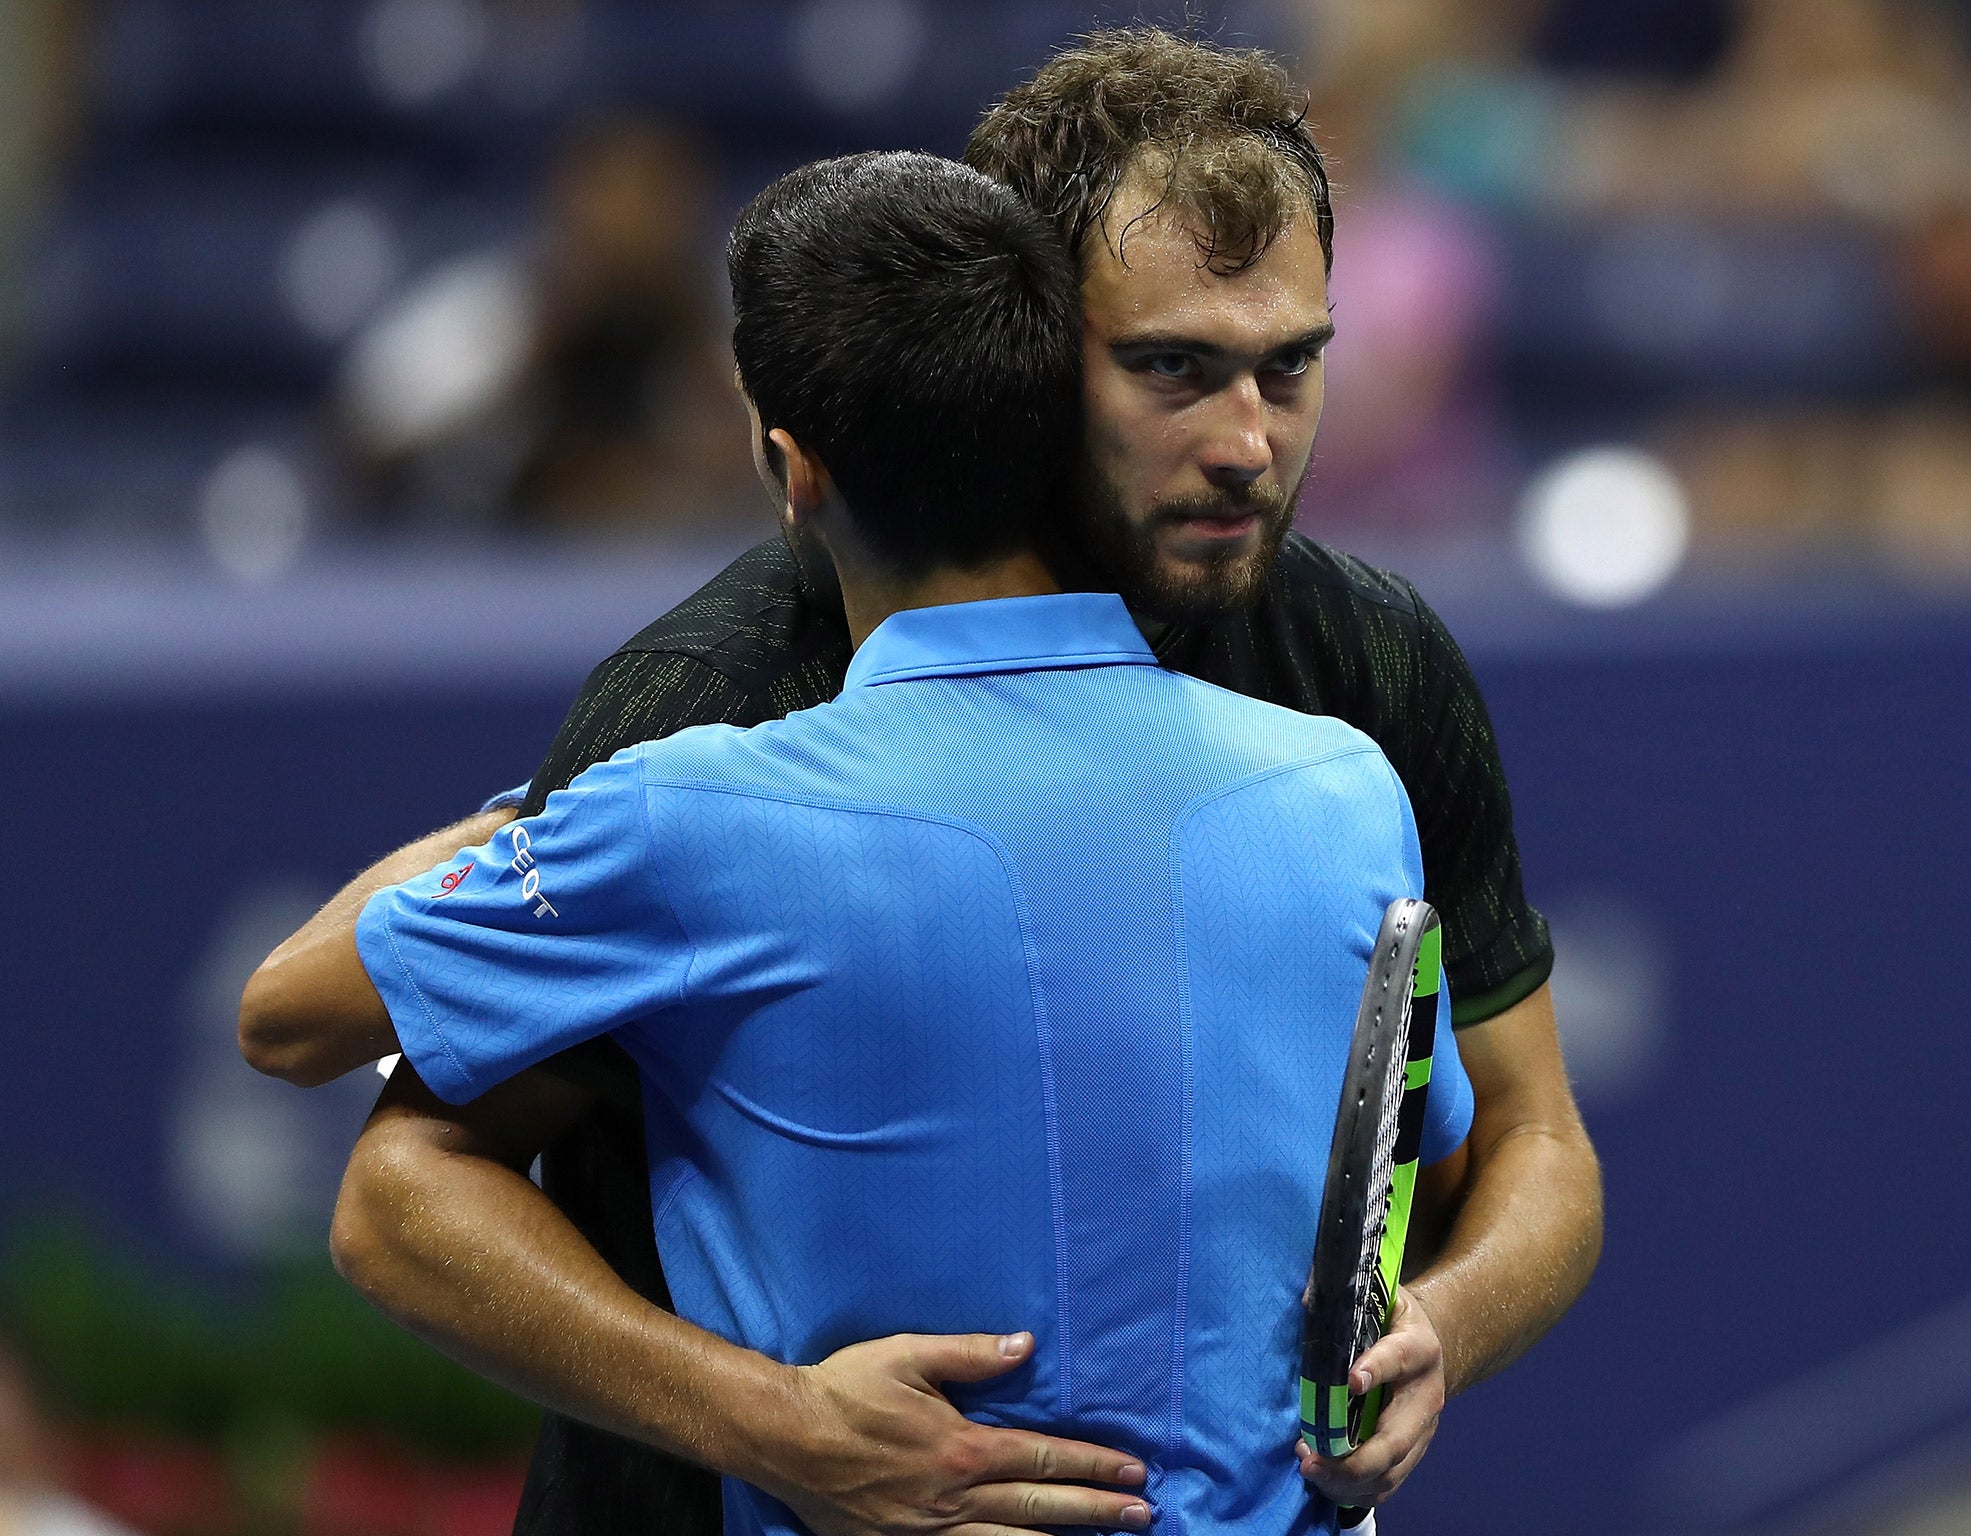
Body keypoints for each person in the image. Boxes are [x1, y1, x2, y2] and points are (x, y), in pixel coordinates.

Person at [244, 27, 1602, 1534]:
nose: (1246, 444)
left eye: (1292, 368)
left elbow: (1537, 1140)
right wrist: (776, 1427)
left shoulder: (1373, 669)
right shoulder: (718, 705)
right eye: (1171, 370)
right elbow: (408, 1188)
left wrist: (1445, 1330)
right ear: (1028, 351)